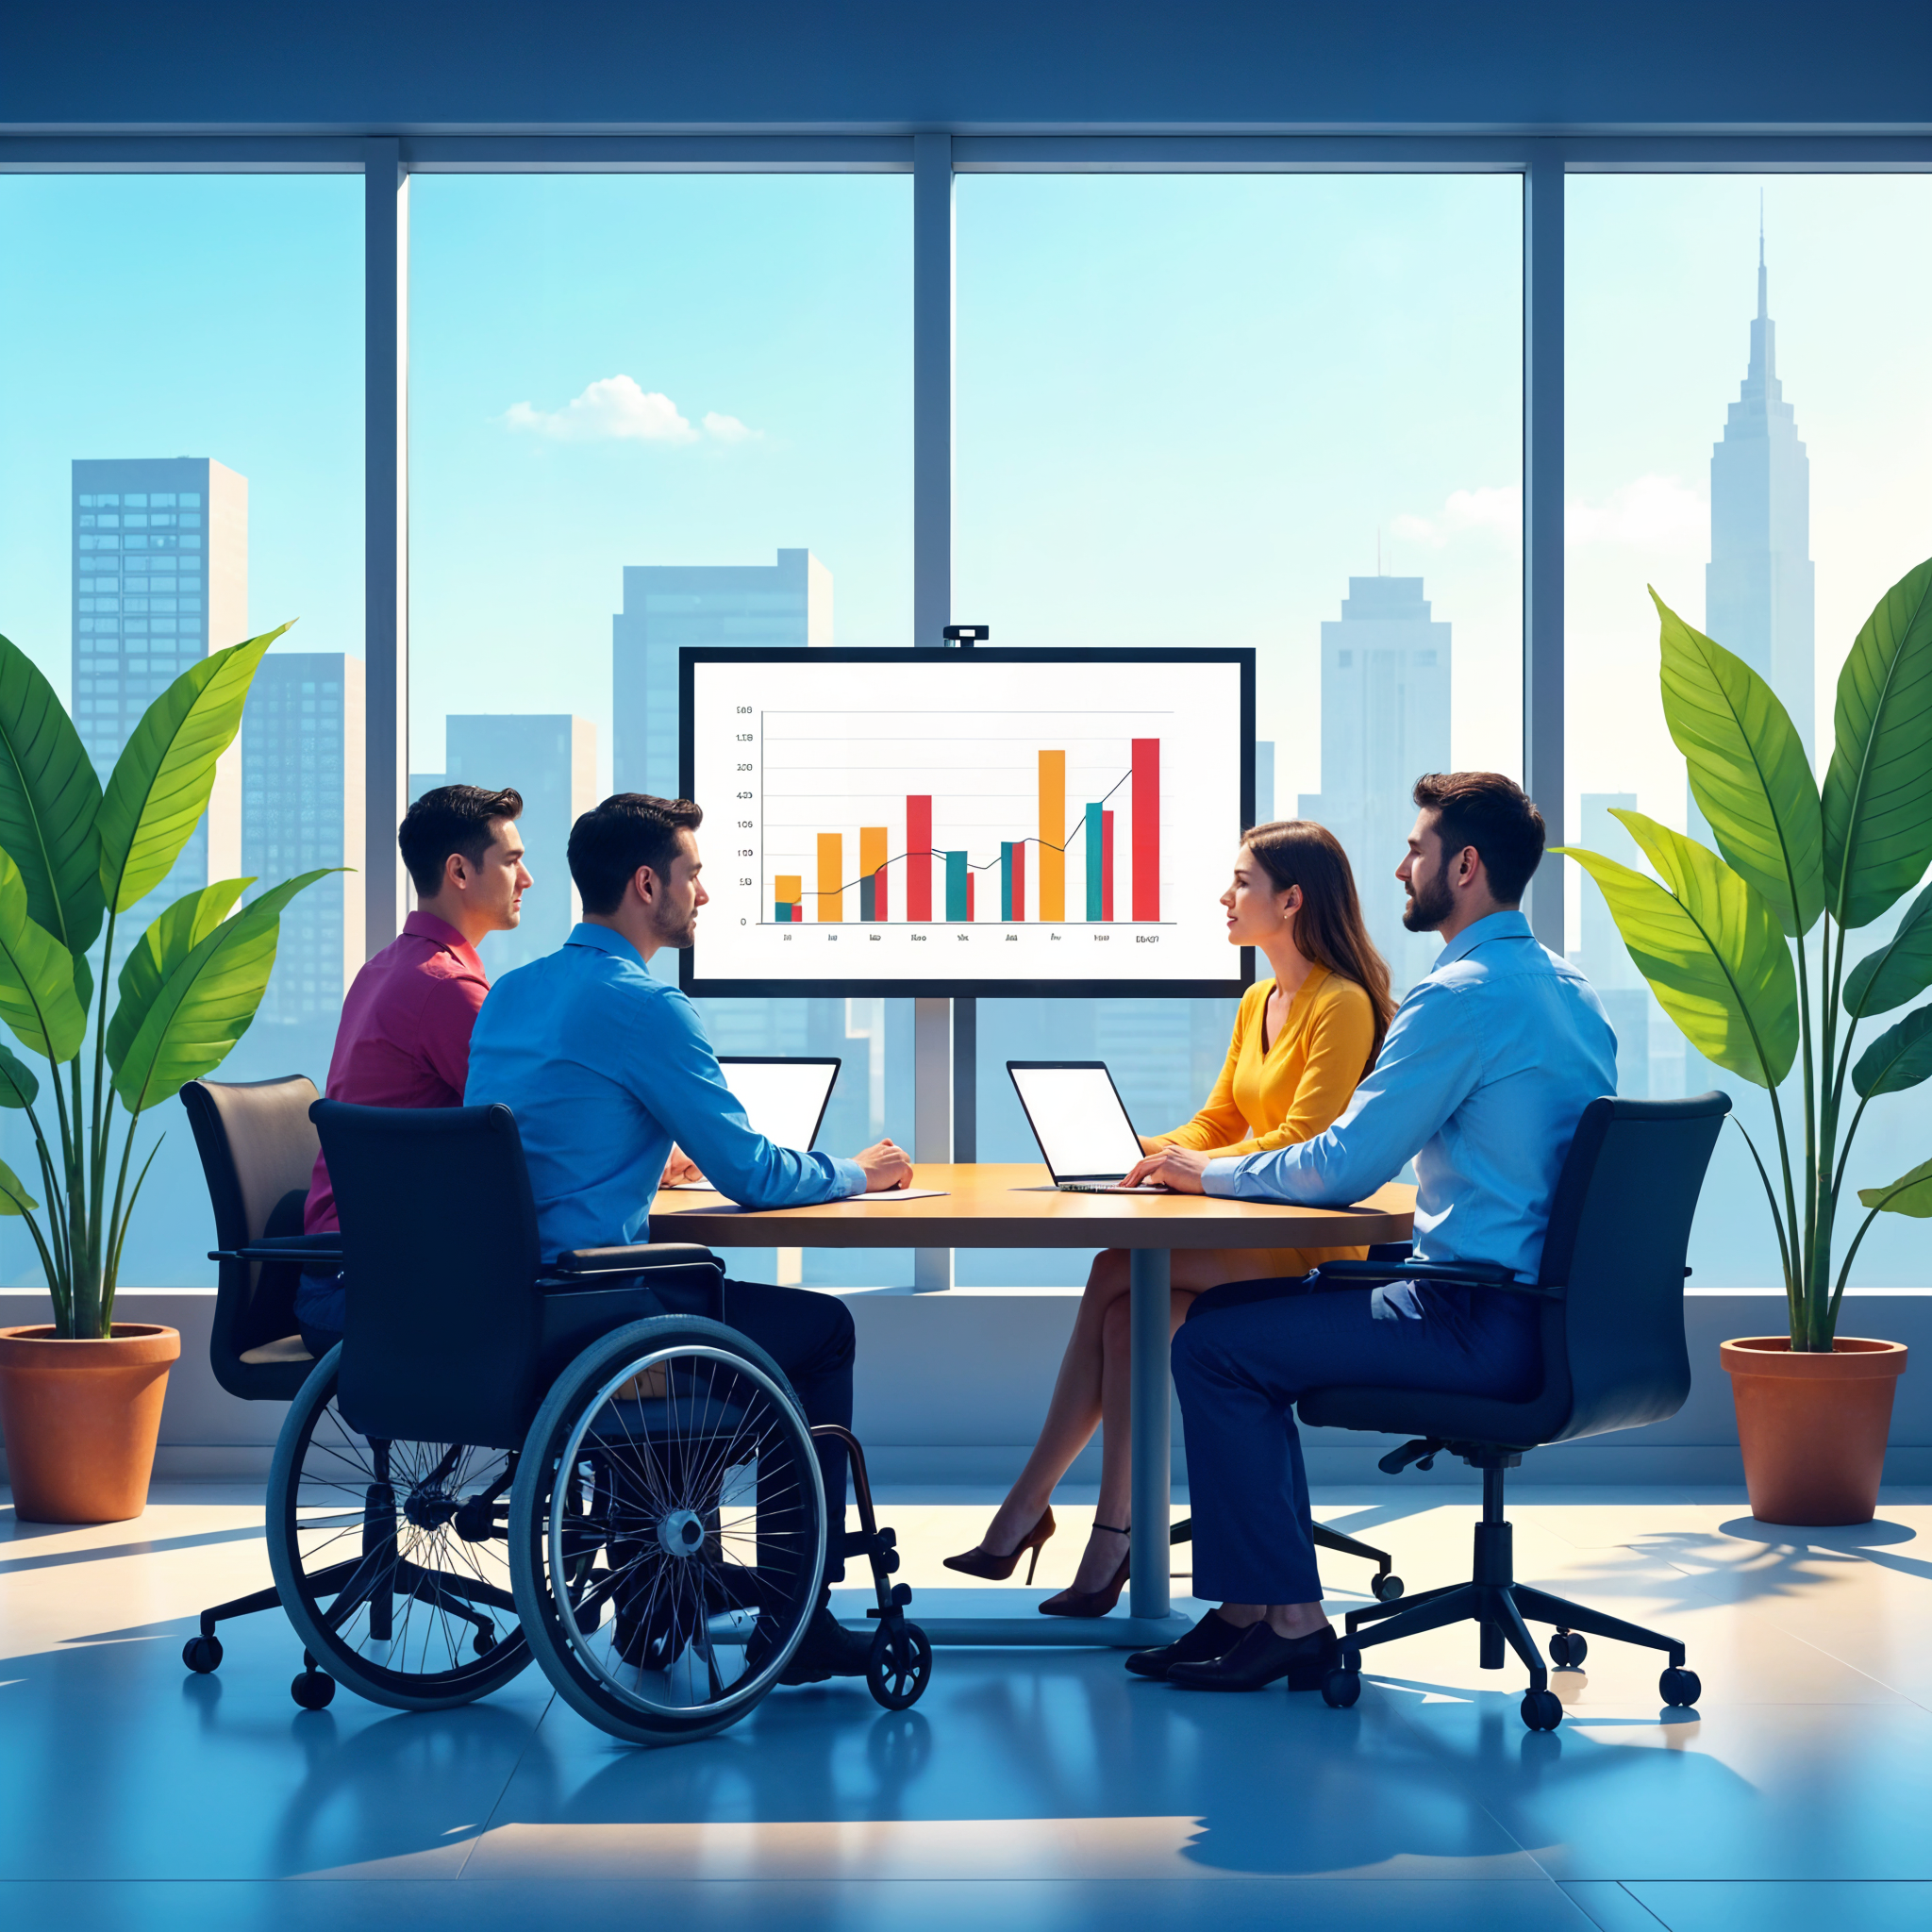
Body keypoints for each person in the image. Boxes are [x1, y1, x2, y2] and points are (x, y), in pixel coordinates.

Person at [1120, 772, 1617, 1692]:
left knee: (1215, 1344)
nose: (1399, 867)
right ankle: (1241, 1611)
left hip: (1476, 1319)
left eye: (1417, 849)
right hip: (1555, 1317)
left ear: (1462, 867)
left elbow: (1341, 1163)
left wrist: (1208, 1171)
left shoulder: (1460, 994)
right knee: (1233, 1317)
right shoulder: (1571, 990)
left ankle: (1292, 1623)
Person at [463, 791, 915, 1684]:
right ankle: (798, 1613)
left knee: (684, 1288)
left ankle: (661, 1593)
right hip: (597, 1317)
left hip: (512, 1303)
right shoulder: (645, 1007)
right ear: (645, 884)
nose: (702, 896)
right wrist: (859, 1173)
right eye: (694, 876)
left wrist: (640, 1147)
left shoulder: (511, 993)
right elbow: (750, 1176)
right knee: (820, 1329)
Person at [945, 821, 1396, 1617]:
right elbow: (1220, 1119)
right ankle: (1115, 1534)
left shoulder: (1342, 1003)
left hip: (1305, 1246)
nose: (1226, 897)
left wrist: (1196, 1175)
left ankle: (1026, 1506)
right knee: (1128, 1321)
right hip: (1245, 1234)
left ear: (1291, 901)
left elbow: (1305, 1141)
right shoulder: (1261, 999)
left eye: (1242, 882)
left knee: (1117, 1267)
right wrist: (1141, 1152)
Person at [295, 784, 531, 1354]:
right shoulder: (447, 989)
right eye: (513, 861)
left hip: (344, 1273)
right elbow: (529, 1133)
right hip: (380, 1286)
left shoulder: (384, 969)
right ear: (459, 871)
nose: (526, 880)